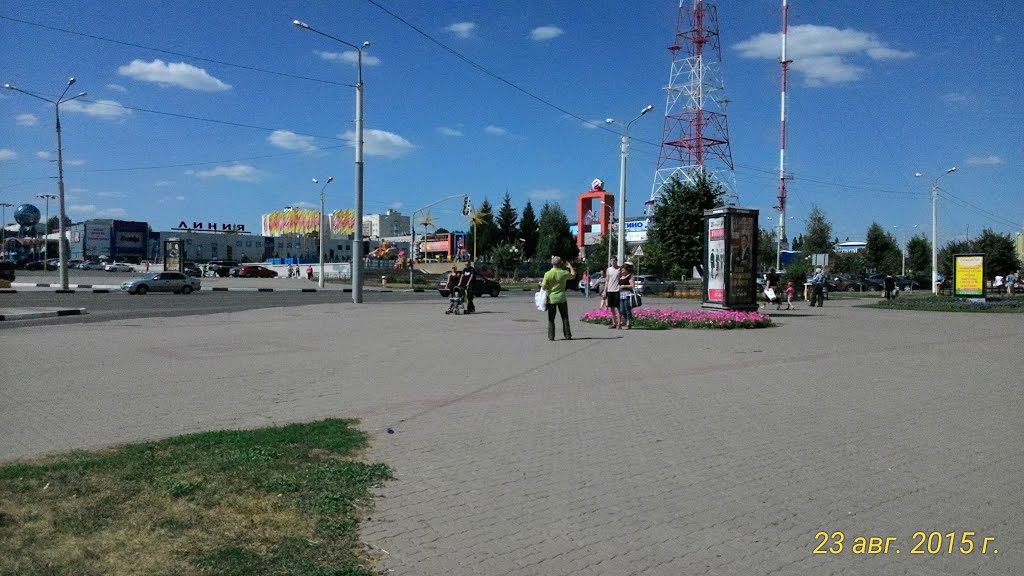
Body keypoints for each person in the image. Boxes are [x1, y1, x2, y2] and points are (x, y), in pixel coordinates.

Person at [541, 256, 576, 341]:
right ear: (560, 263)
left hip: (552, 298)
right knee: (565, 317)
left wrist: (540, 284)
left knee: (551, 318)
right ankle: (568, 335)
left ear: (552, 263)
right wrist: (570, 266)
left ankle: (551, 336)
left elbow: (544, 286)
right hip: (562, 298)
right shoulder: (563, 273)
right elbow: (573, 275)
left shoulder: (548, 274)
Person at [602, 256, 622, 329]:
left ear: (616, 261)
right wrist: (605, 290)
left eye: (614, 261)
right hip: (610, 290)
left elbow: (621, 279)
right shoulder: (609, 269)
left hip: (616, 290)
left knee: (618, 308)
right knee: (611, 308)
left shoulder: (619, 269)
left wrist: (621, 286)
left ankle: (619, 323)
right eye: (611, 261)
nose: (613, 262)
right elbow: (607, 280)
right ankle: (614, 323)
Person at [618, 261, 636, 329]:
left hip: (628, 294)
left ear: (626, 270)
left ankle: (628, 323)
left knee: (627, 309)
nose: (622, 271)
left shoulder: (630, 276)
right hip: (621, 294)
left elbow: (632, 286)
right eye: (621, 270)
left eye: (623, 270)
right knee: (622, 309)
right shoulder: (621, 277)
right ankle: (626, 320)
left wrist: (624, 286)